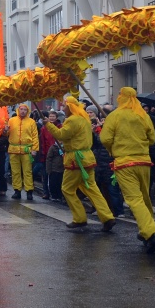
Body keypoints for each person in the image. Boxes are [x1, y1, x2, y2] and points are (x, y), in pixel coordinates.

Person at [100, 88, 155, 253]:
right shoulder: (143, 115)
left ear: (122, 98)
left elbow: (105, 138)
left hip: (125, 163)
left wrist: (112, 149)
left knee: (134, 199)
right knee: (144, 197)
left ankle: (150, 232)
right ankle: (147, 229)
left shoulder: (115, 115)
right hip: (144, 161)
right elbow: (152, 138)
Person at [44, 96, 116, 232]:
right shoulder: (84, 118)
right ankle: (107, 217)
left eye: (65, 106)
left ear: (70, 107)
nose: (63, 108)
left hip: (75, 159)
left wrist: (48, 124)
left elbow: (61, 135)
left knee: (67, 189)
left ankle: (79, 218)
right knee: (92, 189)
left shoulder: (72, 120)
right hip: (87, 158)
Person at [6, 103, 39, 201]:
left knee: (27, 172)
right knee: (15, 172)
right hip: (13, 150)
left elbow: (35, 136)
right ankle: (17, 190)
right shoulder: (11, 121)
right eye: (21, 109)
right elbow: (6, 133)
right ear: (18, 110)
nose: (23, 111)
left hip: (27, 150)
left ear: (27, 111)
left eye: (25, 109)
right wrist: (5, 130)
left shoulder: (32, 122)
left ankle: (29, 191)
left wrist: (34, 149)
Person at [39, 110, 61, 200]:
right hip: (47, 153)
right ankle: (46, 192)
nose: (52, 118)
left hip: (57, 153)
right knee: (45, 174)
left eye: (53, 116)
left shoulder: (60, 127)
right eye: (50, 116)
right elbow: (42, 141)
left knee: (56, 175)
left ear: (56, 118)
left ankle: (56, 193)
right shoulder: (44, 128)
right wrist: (43, 153)